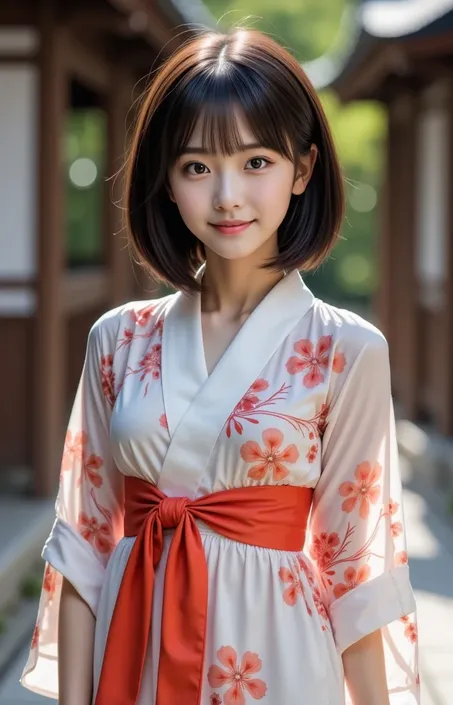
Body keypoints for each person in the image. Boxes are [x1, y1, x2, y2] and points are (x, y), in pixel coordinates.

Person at [20, 27, 419, 705]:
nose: (228, 195)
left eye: (257, 161)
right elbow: (83, 547)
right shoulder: (117, 340)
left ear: (303, 168)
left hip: (278, 661)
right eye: (197, 167)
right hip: (136, 647)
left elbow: (356, 566)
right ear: (167, 183)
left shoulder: (347, 350)